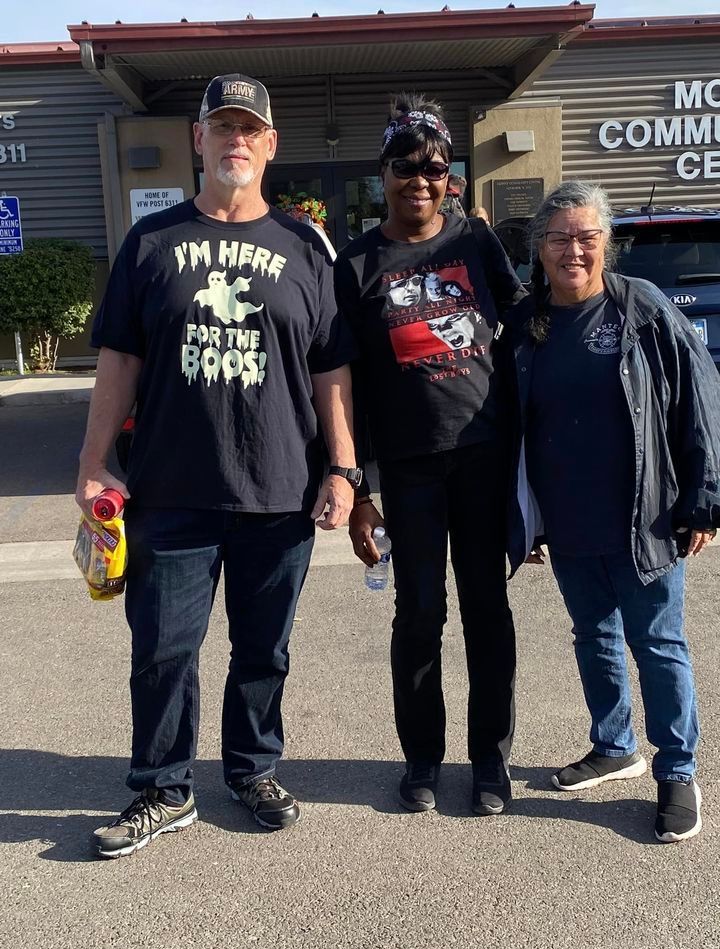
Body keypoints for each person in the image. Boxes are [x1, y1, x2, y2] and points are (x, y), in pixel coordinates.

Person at [76, 73, 359, 859]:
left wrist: (344, 469)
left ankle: (251, 769)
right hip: (169, 485)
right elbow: (119, 361)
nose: (236, 140)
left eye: (251, 129)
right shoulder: (152, 242)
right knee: (163, 649)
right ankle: (163, 789)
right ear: (197, 140)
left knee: (264, 649)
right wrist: (95, 461)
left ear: (270, 145)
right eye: (221, 127)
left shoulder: (306, 246)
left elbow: (332, 368)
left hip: (279, 489)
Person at [505, 180, 720, 843]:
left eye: (587, 237)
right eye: (560, 237)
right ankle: (615, 745)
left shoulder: (644, 310)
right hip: (568, 518)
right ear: (539, 247)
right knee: (591, 634)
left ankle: (678, 770)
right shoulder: (526, 324)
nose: (574, 250)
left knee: (657, 643)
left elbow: (699, 401)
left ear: (606, 245)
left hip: (645, 517)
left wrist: (705, 500)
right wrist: (523, 518)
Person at [334, 92, 526, 816]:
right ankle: (421, 759)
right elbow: (341, 383)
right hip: (407, 469)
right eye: (403, 165)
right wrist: (359, 485)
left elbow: (527, 329)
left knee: (487, 611)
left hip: (483, 459)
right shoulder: (355, 265)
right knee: (418, 615)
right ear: (381, 173)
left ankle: (490, 763)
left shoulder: (476, 245)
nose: (419, 177)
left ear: (452, 175)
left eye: (434, 166)